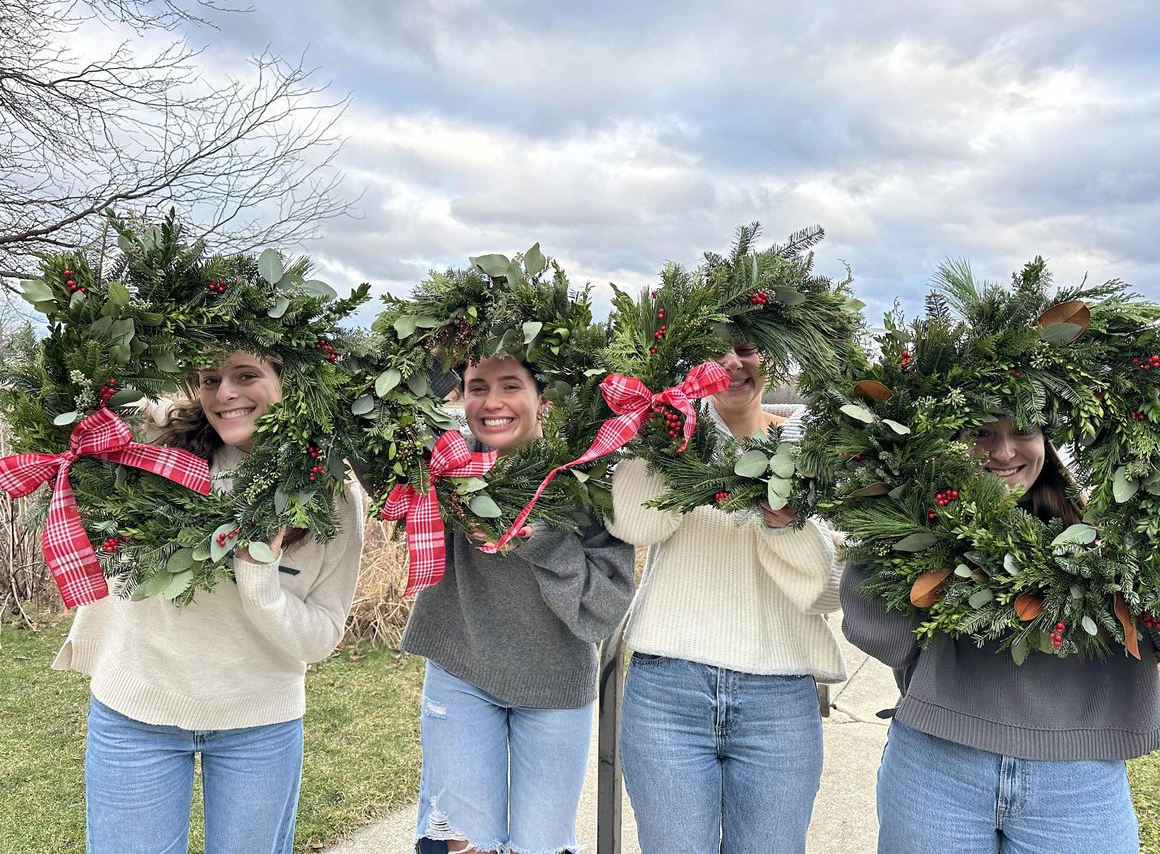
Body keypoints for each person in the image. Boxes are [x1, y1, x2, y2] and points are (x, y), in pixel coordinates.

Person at [841, 415, 1160, 854]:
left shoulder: (1105, 536)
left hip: (1078, 781)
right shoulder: (932, 526)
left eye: (1024, 431)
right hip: (937, 764)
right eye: (981, 432)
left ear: (1047, 439)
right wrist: (890, 512)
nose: (1004, 452)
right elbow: (885, 637)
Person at [54, 350, 365, 854]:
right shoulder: (158, 450)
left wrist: (261, 581)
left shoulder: (334, 494)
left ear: (292, 381)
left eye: (247, 376)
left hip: (259, 722)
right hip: (136, 710)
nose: (225, 394)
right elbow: (89, 394)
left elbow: (322, 636)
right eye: (211, 380)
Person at [608, 343, 846, 852]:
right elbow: (634, 523)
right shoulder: (670, 434)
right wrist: (669, 439)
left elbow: (826, 591)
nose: (732, 363)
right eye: (714, 351)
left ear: (772, 354)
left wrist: (783, 525)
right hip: (668, 692)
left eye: (746, 348)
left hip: (779, 702)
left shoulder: (809, 449)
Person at [401, 355, 636, 854]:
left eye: (511, 386)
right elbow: (383, 409)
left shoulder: (582, 478)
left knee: (542, 847)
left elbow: (605, 607)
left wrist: (538, 538)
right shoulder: (442, 464)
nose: (492, 402)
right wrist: (457, 339)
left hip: (554, 684)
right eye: (476, 387)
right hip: (461, 670)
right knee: (464, 844)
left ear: (543, 400)